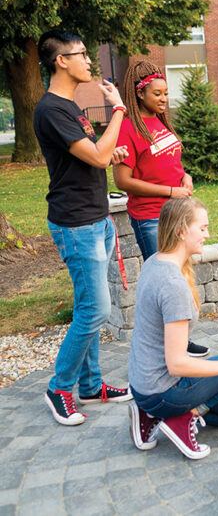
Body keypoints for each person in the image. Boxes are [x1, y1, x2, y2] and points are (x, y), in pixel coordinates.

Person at [34, 30, 132, 426]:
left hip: (96, 218)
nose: (89, 61)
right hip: (77, 225)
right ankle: (59, 388)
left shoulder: (71, 107)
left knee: (88, 306)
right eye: (82, 54)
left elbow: (93, 156)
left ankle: (91, 386)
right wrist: (119, 111)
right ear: (61, 60)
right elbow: (94, 155)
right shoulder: (52, 109)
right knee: (95, 310)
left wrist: (112, 154)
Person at [128, 198, 218, 460]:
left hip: (141, 386)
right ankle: (179, 420)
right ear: (181, 230)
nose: (207, 235)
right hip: (162, 390)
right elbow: (177, 365)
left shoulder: (154, 261)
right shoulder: (172, 284)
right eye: (202, 228)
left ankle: (149, 414)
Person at [113, 60, 208, 358]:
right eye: (158, 94)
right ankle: (167, 346)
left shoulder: (161, 122)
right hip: (151, 216)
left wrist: (185, 176)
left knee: (180, 278)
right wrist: (171, 191)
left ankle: (179, 340)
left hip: (176, 211)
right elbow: (123, 180)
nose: (164, 99)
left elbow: (170, 161)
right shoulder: (128, 129)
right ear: (140, 94)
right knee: (166, 282)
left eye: (166, 93)